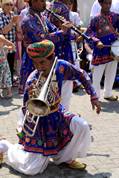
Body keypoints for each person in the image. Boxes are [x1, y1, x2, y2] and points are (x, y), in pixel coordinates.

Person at [0, 39, 101, 175]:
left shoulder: (61, 66)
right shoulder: (32, 79)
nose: (39, 67)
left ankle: (64, 158)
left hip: (57, 113)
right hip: (40, 123)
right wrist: (22, 124)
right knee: (32, 169)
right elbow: (25, 107)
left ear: (52, 58)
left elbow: (81, 74)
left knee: (81, 126)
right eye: (35, 63)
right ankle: (5, 146)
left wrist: (93, 96)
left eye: (42, 62)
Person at [85, 0, 119, 101]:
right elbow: (89, 33)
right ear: (100, 3)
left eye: (110, 3)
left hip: (112, 49)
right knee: (97, 75)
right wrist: (96, 41)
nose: (108, 5)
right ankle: (96, 96)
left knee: (111, 72)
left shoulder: (116, 16)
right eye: (106, 3)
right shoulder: (95, 19)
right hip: (100, 50)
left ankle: (108, 93)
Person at [0, 0, 19, 84]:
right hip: (2, 47)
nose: (9, 6)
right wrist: (13, 22)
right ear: (2, 5)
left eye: (11, 4)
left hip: (11, 46)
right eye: (7, 4)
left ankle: (9, 84)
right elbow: (3, 31)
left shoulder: (12, 14)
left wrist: (17, 24)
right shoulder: (0, 15)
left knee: (10, 65)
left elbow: (17, 30)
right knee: (2, 67)